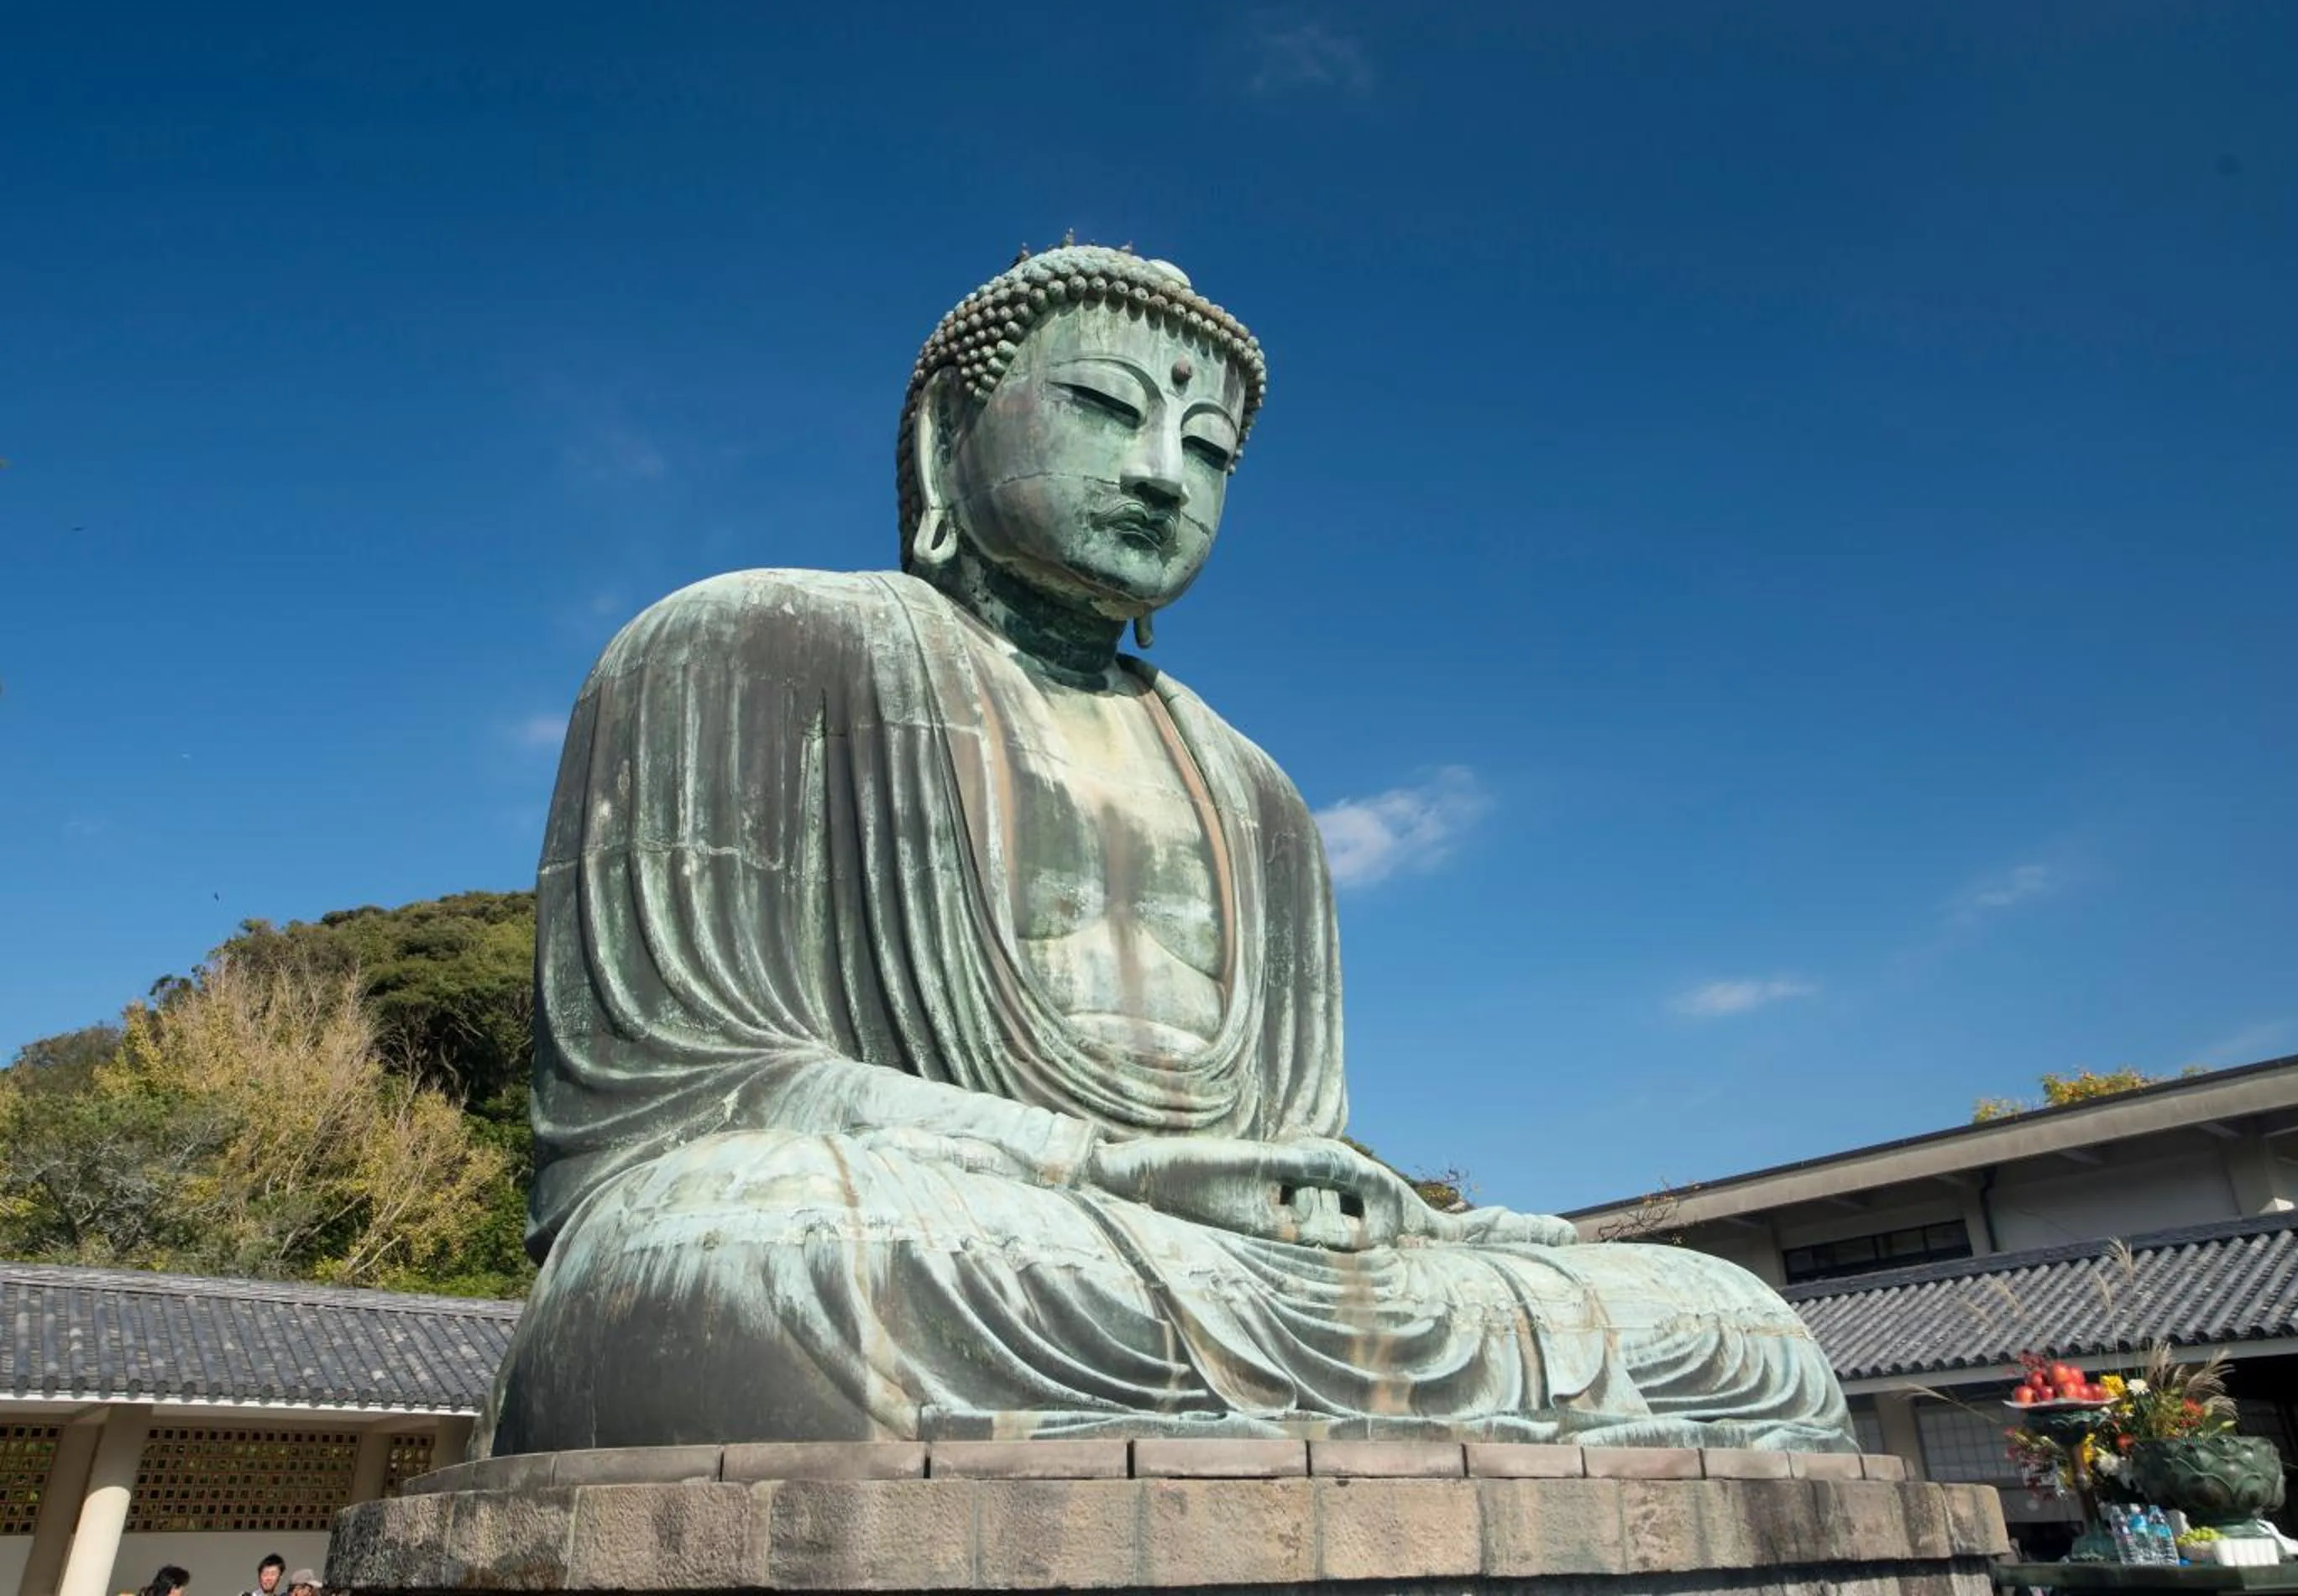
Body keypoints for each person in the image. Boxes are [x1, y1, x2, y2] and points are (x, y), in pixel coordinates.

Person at [481, 243, 1855, 1455]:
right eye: (1103, 409)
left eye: (1208, 451)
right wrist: (1109, 1170)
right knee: (732, 1253)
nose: (1160, 473)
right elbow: (686, 1103)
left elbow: (1287, 1146)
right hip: (939, 1225)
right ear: (942, 438)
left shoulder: (1257, 792)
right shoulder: (746, 642)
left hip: (1210, 1267)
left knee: (1733, 1328)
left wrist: (1399, 1221)